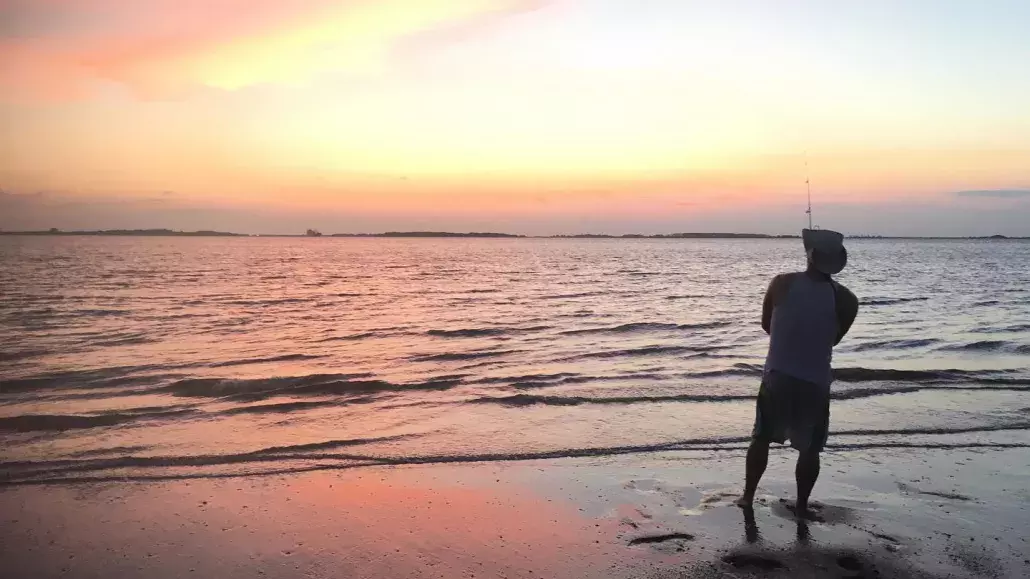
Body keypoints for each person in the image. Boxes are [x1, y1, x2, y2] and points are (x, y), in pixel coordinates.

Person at [736, 228, 859, 519]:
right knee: (810, 449)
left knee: (761, 437)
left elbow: (767, 325)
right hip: (815, 381)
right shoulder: (847, 299)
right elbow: (834, 339)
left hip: (778, 375)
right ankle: (802, 506)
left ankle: (748, 496)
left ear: (810, 255)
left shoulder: (781, 284)